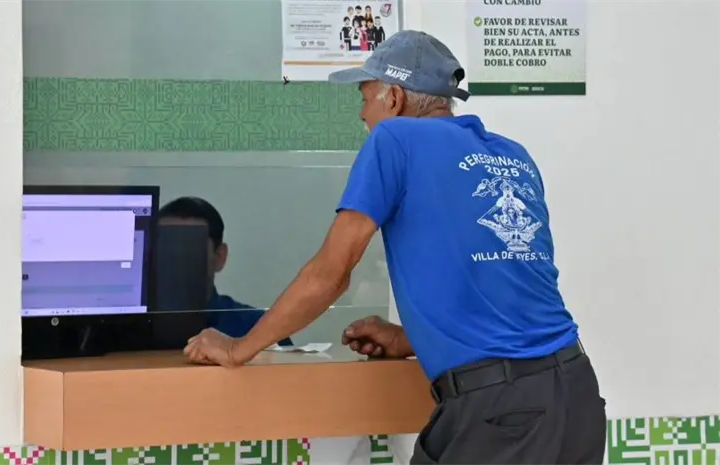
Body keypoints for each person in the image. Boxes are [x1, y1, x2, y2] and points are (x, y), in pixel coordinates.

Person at [184, 30, 605, 465]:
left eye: (365, 98)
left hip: (500, 413)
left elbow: (331, 273)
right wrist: (410, 338)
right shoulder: (513, 156)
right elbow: (506, 285)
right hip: (576, 397)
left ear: (395, 98)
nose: (362, 114)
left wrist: (238, 349)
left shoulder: (395, 140)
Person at [158, 197, 292, 345]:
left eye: (189, 246)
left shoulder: (260, 327)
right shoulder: (138, 328)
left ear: (219, 256)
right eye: (166, 245)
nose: (176, 257)